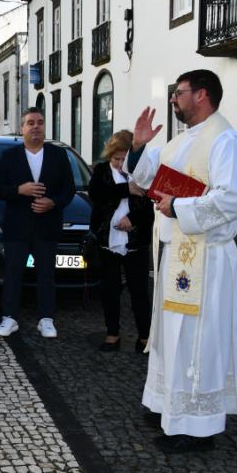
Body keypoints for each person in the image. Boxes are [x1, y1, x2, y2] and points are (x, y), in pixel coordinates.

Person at [127, 69, 237, 453]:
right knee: (171, 338)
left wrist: (179, 206)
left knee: (197, 341)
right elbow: (145, 178)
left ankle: (198, 426)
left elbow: (234, 199)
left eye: (178, 92)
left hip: (207, 259)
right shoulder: (181, 141)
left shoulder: (227, 143)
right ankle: (168, 405)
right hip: (176, 256)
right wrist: (138, 146)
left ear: (201, 95)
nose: (173, 98)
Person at [0, 108, 76, 339]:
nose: (35, 126)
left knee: (46, 274)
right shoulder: (9, 156)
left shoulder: (58, 155)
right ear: (22, 128)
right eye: (30, 123)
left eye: (40, 122)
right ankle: (9, 317)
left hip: (47, 225)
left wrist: (53, 202)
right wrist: (19, 190)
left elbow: (69, 189)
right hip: (16, 227)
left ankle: (46, 319)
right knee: (13, 273)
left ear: (45, 126)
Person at [88, 130, 153, 352]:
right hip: (108, 240)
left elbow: (149, 207)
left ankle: (144, 337)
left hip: (136, 242)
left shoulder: (142, 173)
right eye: (116, 159)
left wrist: (131, 220)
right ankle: (112, 334)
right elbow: (96, 194)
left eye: (124, 159)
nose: (120, 164)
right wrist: (126, 189)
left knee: (139, 291)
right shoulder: (101, 171)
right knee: (110, 290)